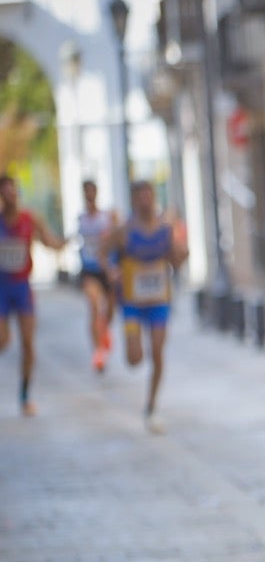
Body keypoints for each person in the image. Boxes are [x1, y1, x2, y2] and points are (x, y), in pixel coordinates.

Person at [103, 181, 188, 433]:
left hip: (159, 300)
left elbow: (177, 260)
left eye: (148, 195)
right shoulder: (125, 231)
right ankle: (130, 344)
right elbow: (103, 252)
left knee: (158, 353)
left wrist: (181, 253)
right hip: (132, 302)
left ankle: (151, 405)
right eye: (140, 196)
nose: (145, 201)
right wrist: (111, 269)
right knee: (134, 359)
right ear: (133, 200)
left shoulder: (165, 229)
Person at [0, 174, 67, 416]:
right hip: (1, 288)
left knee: (28, 342)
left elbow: (49, 241)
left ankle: (25, 394)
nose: (11, 196)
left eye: (13, 190)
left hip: (22, 287)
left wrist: (64, 243)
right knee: (3, 341)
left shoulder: (30, 218)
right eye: (5, 192)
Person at [75, 179, 119, 373]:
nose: (89, 195)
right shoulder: (80, 219)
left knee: (109, 311)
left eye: (92, 191)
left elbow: (116, 237)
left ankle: (104, 332)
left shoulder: (106, 217)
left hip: (106, 269)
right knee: (94, 307)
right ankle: (98, 352)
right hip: (89, 270)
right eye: (86, 192)